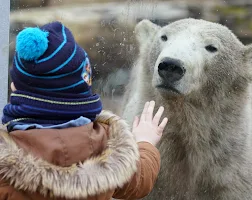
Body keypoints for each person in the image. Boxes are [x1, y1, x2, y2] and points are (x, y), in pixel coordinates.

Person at [0, 21, 168, 200]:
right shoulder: (106, 146)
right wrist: (145, 143)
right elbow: (139, 181)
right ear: (83, 87)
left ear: (16, 88)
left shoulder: (5, 162)